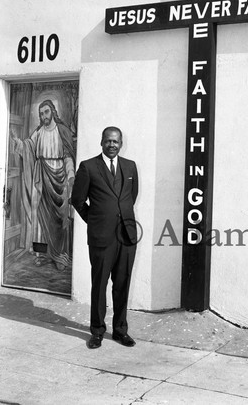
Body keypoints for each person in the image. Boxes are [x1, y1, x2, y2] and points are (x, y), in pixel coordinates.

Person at [71, 126, 139, 349]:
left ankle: (120, 331)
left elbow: (131, 195)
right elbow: (78, 200)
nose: (112, 145)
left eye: (116, 141)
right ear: (101, 142)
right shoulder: (88, 167)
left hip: (126, 237)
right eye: (108, 141)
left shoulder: (130, 166)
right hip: (101, 238)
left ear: (121, 143)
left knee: (122, 284)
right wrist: (96, 221)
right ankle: (97, 332)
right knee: (99, 285)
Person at [11, 99, 76, 271]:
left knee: (60, 218)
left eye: (46, 112)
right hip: (41, 177)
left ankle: (60, 256)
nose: (44, 116)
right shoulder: (39, 132)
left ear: (53, 112)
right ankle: (41, 253)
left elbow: (68, 155)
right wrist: (18, 143)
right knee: (40, 215)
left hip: (60, 178)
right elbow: (28, 147)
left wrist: (70, 174)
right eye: (41, 113)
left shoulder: (63, 131)